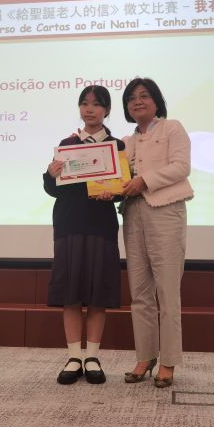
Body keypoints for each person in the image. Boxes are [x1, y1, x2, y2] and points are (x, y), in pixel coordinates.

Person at [43, 85, 124, 385]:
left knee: (97, 294)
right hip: (69, 225)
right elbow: (53, 190)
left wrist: (113, 193)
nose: (89, 109)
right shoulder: (67, 144)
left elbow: (121, 188)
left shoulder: (117, 146)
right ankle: (74, 356)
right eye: (84, 103)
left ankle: (92, 356)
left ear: (107, 110)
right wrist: (50, 174)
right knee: (71, 294)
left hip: (101, 227)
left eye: (96, 104)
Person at [120, 77, 193, 388]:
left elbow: (181, 167)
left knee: (167, 292)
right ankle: (145, 356)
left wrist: (144, 181)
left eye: (144, 96)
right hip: (133, 213)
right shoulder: (126, 141)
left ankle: (168, 361)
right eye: (131, 98)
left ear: (156, 101)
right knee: (139, 293)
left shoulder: (172, 128)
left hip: (165, 211)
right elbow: (116, 177)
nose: (137, 102)